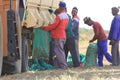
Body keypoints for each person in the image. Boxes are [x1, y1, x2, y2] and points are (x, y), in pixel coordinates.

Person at [40, 1, 69, 69]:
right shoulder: (66, 16)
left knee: (59, 52)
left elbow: (54, 26)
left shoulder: (59, 16)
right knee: (61, 51)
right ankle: (60, 65)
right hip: (63, 35)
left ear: (60, 7)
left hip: (58, 36)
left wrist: (45, 28)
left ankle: (63, 66)